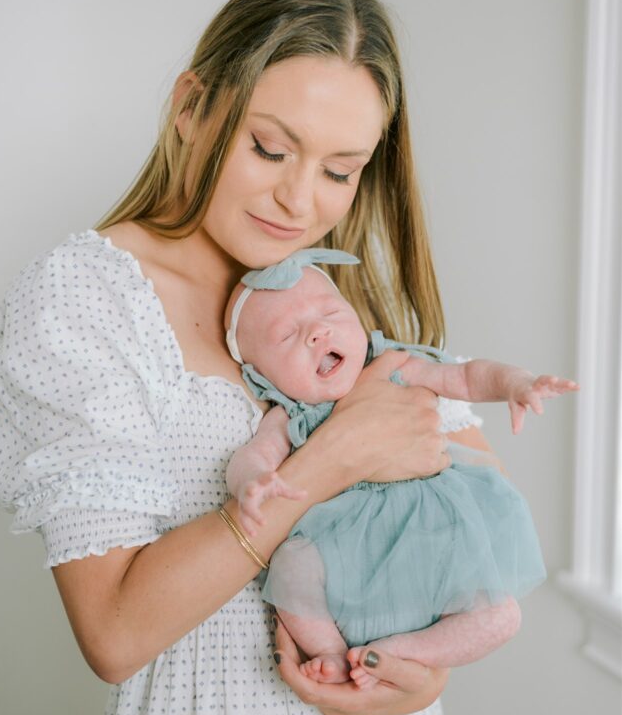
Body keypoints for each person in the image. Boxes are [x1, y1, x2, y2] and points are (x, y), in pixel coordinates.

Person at [0, 0, 496, 715]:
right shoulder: (86, 300)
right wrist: (328, 460)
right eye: (269, 148)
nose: (300, 199)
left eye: (340, 170)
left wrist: (417, 681)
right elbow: (117, 632)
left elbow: (474, 515)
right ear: (191, 107)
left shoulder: (340, 291)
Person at [222, 247, 577, 688]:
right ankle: (334, 654)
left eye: (331, 313)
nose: (317, 332)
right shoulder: (289, 415)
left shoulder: (397, 367)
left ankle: (401, 651)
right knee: (291, 567)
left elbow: (466, 377)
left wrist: (514, 383)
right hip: (342, 550)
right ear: (262, 377)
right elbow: (253, 456)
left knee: (502, 617)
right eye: (288, 335)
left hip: (429, 533)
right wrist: (251, 483)